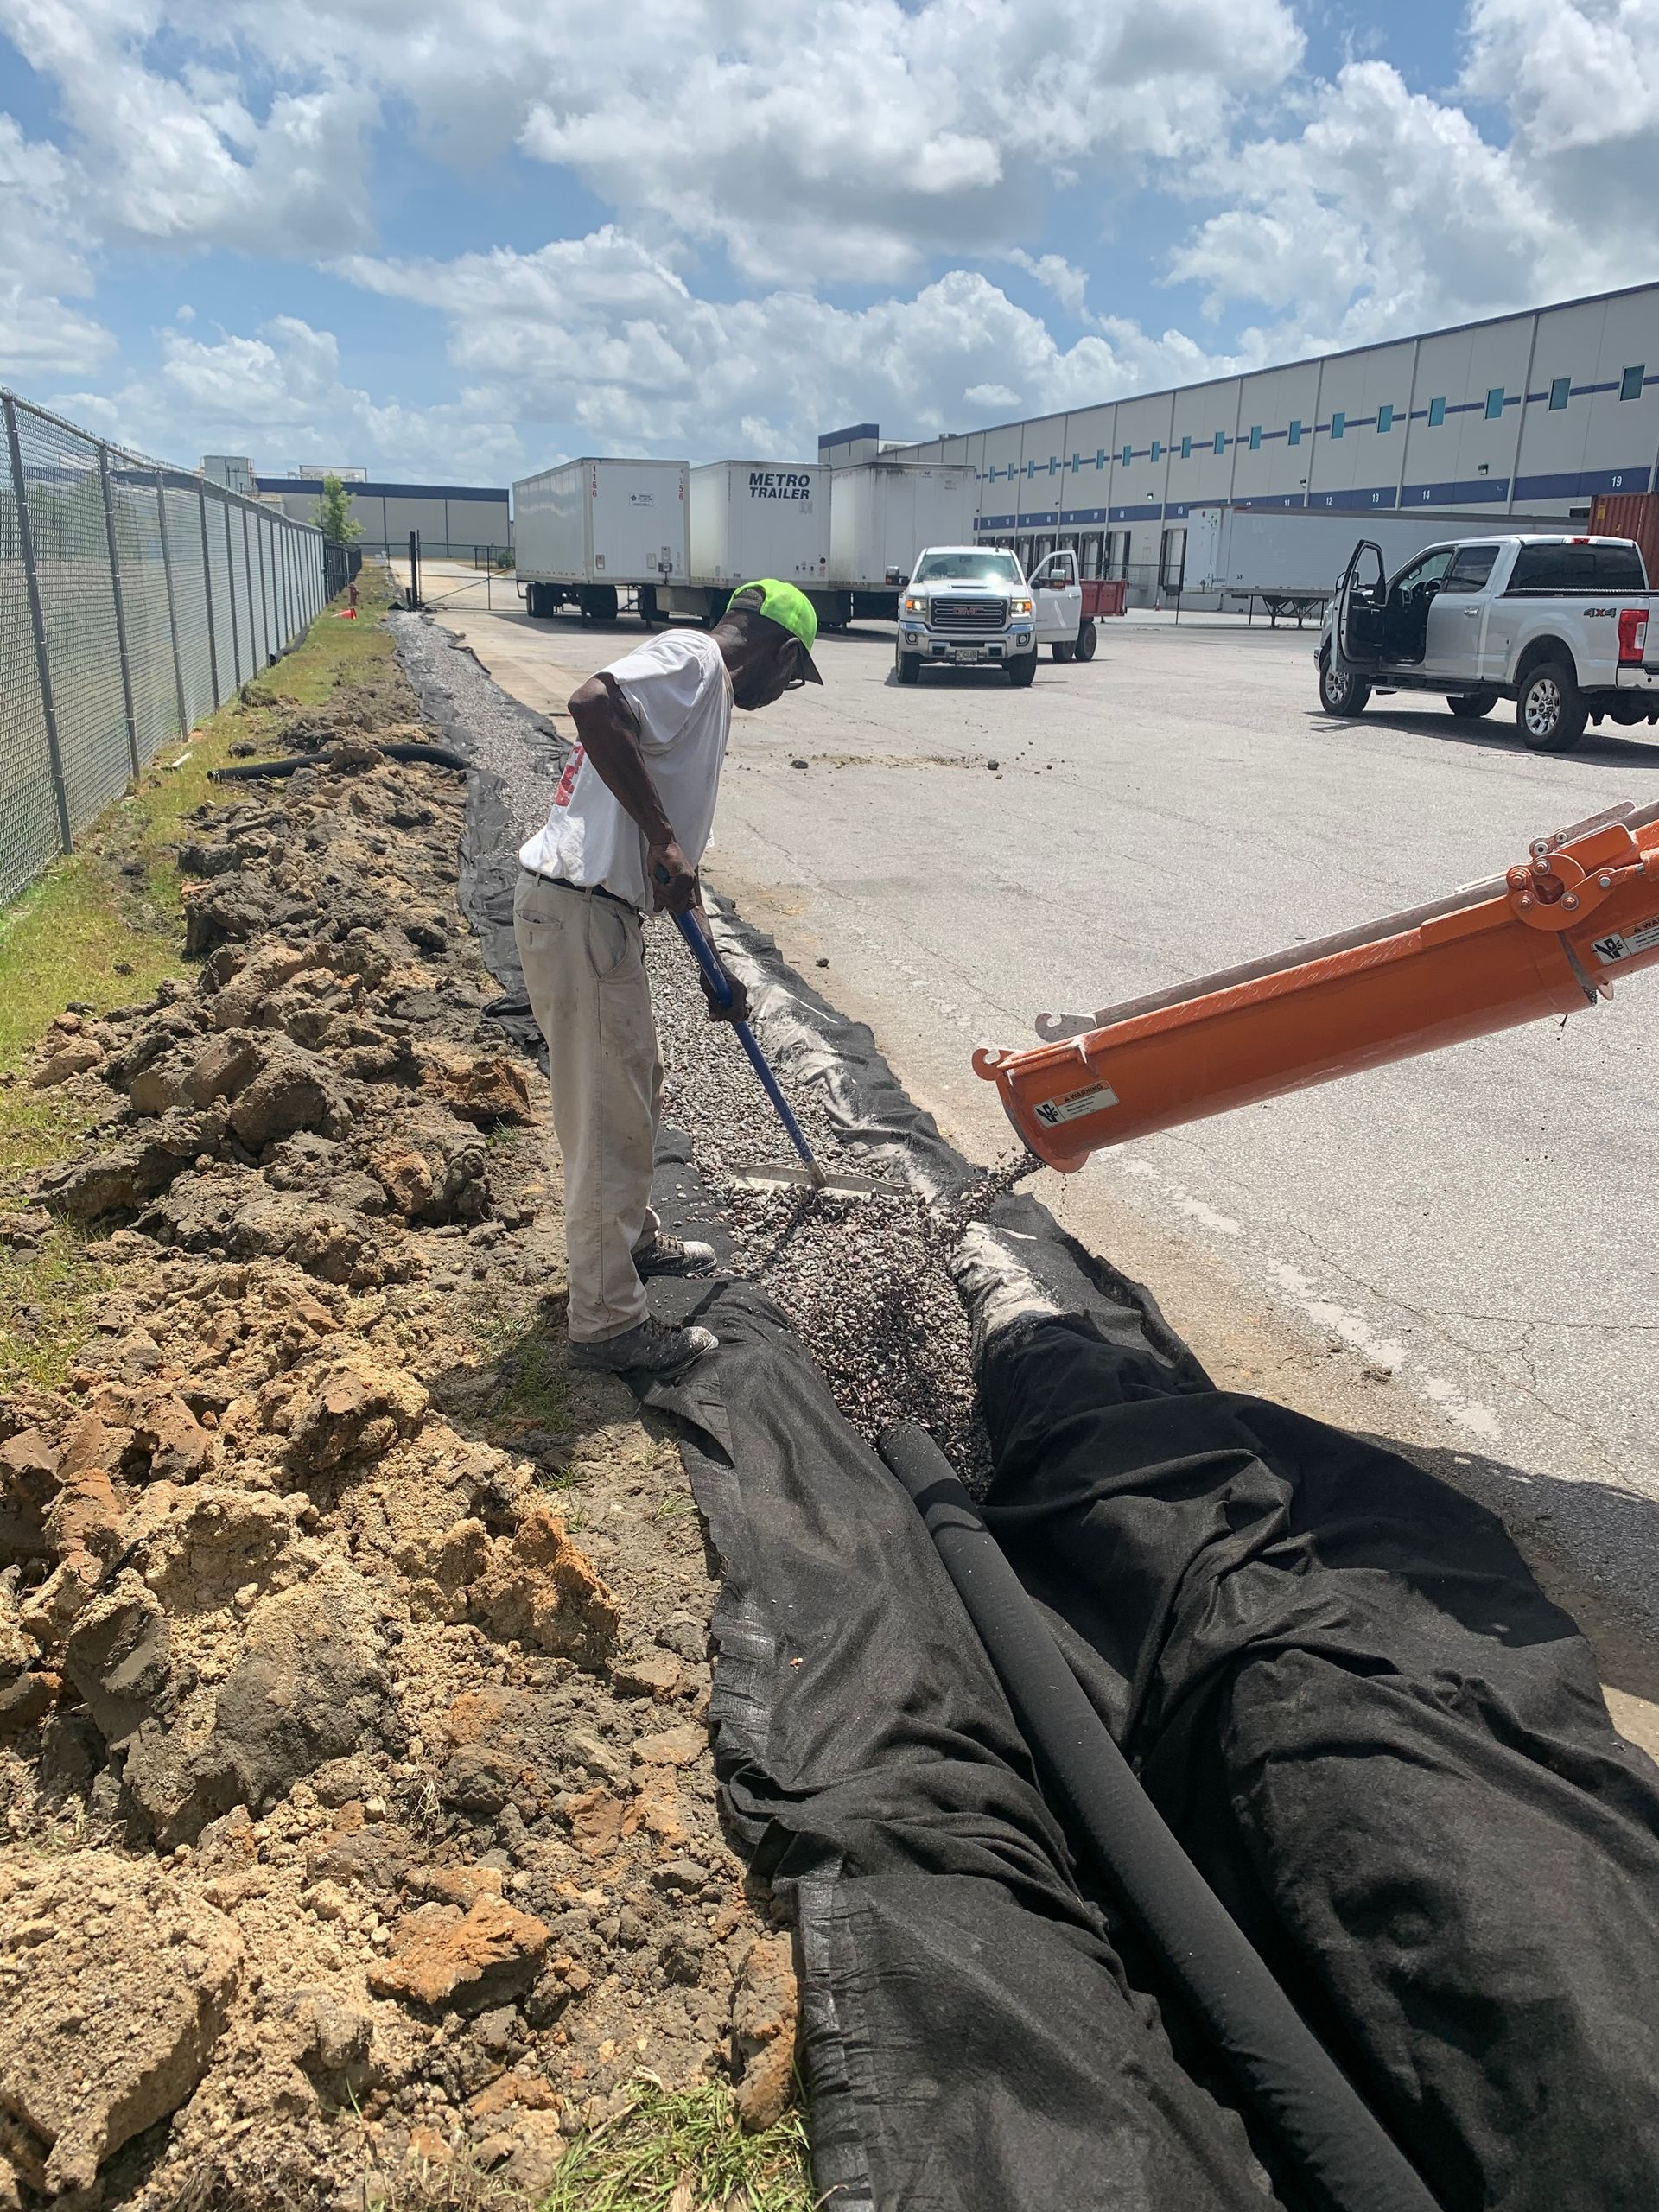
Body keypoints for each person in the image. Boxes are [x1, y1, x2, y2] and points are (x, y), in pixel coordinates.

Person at [514, 580, 823, 1377]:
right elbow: (589, 703)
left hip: (598, 918)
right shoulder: (695, 659)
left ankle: (635, 1241)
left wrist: (716, 971)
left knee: (636, 1090)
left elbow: (674, 870)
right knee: (604, 1120)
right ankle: (609, 1324)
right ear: (780, 653)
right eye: (792, 679)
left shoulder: (701, 693)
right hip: (580, 914)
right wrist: (660, 836)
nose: (782, 695)